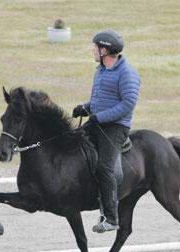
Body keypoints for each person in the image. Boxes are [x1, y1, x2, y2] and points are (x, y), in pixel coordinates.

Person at [72, 29, 141, 233]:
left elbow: (128, 103)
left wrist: (100, 117)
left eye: (95, 47)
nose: (93, 51)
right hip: (97, 121)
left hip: (116, 128)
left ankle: (110, 218)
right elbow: (98, 101)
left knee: (105, 168)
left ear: (104, 50)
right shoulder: (101, 70)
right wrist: (85, 108)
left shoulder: (127, 73)